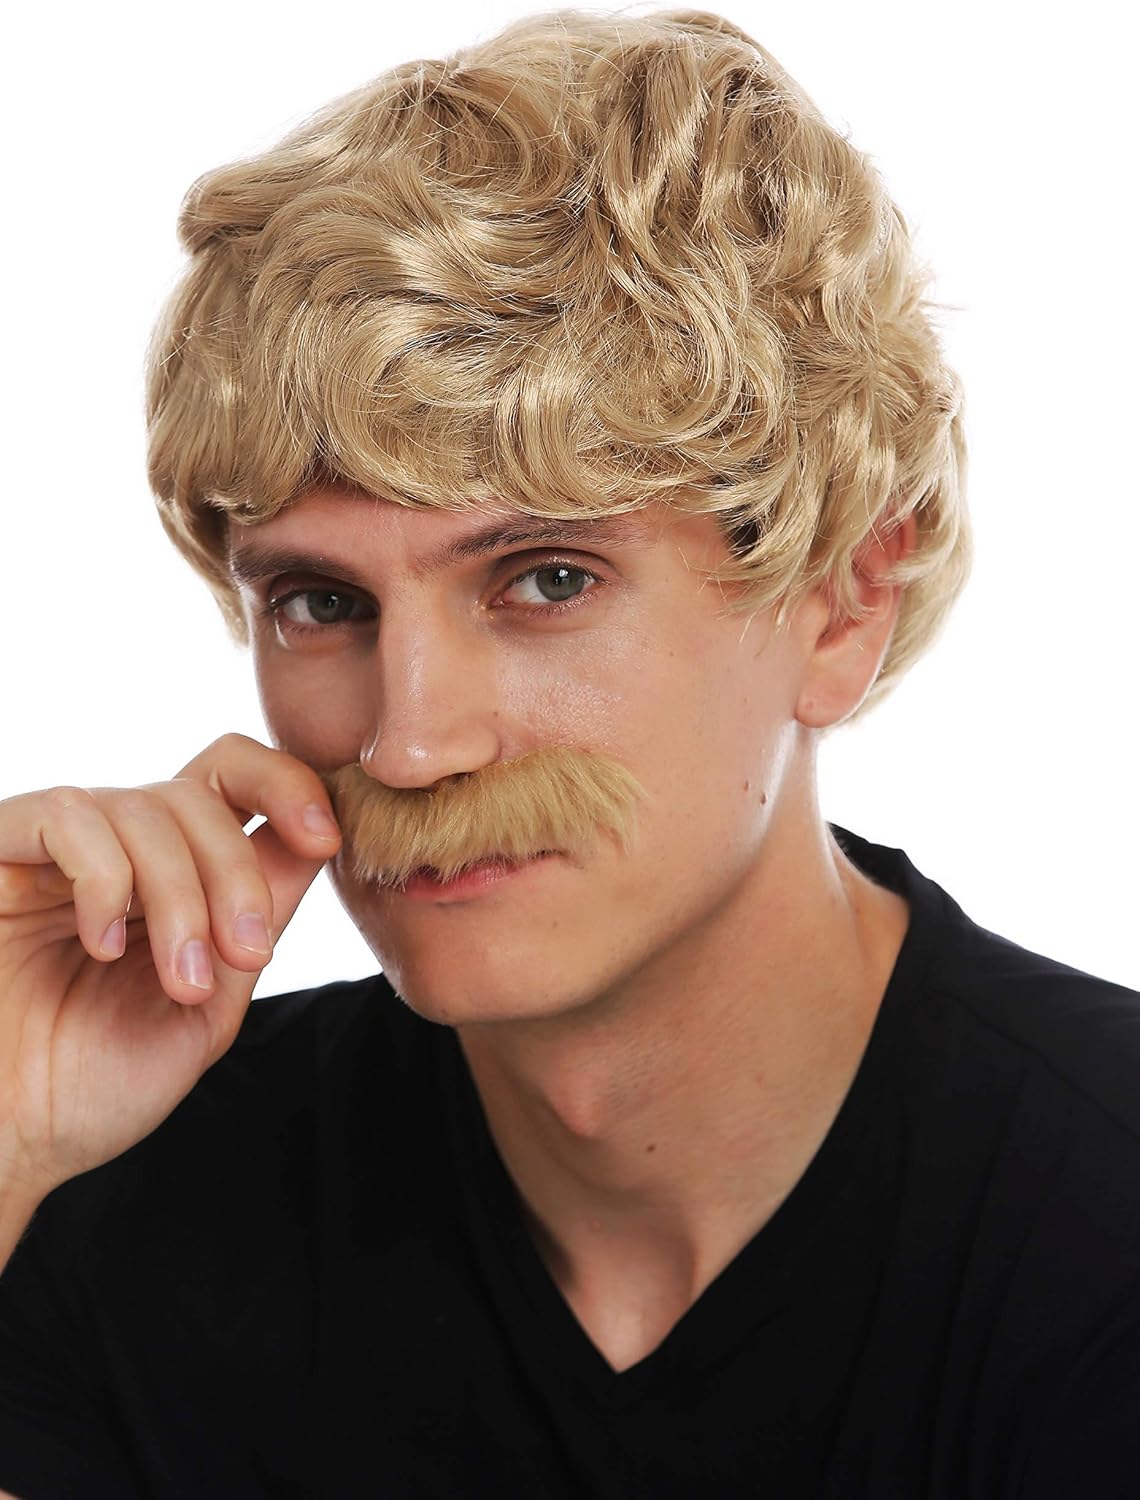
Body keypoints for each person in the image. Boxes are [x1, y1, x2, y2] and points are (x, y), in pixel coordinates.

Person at [0, 6, 1136, 1497]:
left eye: (545, 579)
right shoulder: (114, 1189)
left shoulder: (1102, 1217)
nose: (410, 743)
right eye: (322, 603)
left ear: (845, 601)